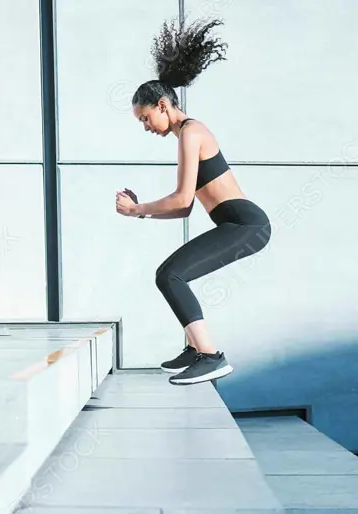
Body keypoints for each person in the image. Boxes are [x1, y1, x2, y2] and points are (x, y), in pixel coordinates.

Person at [115, 17, 271, 386]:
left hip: (246, 224)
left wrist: (137, 209)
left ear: (164, 105)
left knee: (170, 274)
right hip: (237, 224)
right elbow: (184, 208)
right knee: (173, 274)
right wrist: (142, 215)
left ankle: (211, 356)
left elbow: (182, 197)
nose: (146, 126)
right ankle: (194, 349)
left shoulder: (191, 132)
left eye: (146, 117)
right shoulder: (186, 134)